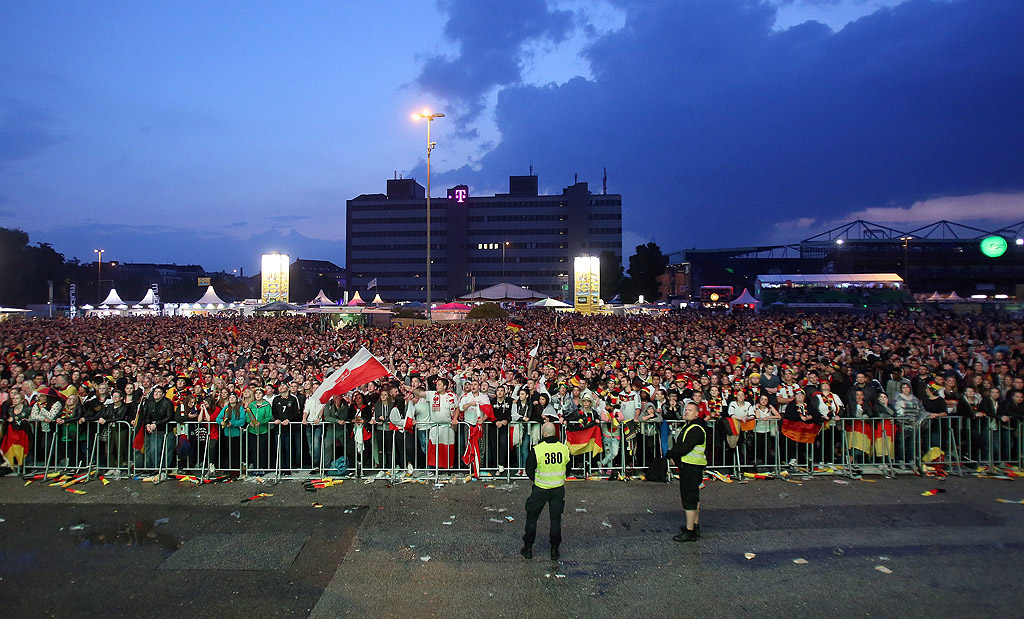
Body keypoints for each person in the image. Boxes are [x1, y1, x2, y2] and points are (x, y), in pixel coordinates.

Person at [520, 421, 570, 562]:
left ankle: (528, 548)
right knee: (555, 519)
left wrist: (537, 480)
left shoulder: (538, 449)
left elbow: (529, 469)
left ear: (544, 433)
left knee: (532, 517)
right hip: (558, 488)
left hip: (541, 488)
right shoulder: (564, 448)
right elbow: (568, 468)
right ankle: (554, 550)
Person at [666, 402, 707, 543]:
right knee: (693, 497)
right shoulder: (688, 427)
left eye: (690, 410)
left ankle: (690, 532)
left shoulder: (696, 429)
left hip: (692, 467)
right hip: (689, 466)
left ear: (697, 414)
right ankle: (694, 526)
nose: (686, 412)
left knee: (689, 498)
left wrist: (670, 454)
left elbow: (685, 447)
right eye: (685, 409)